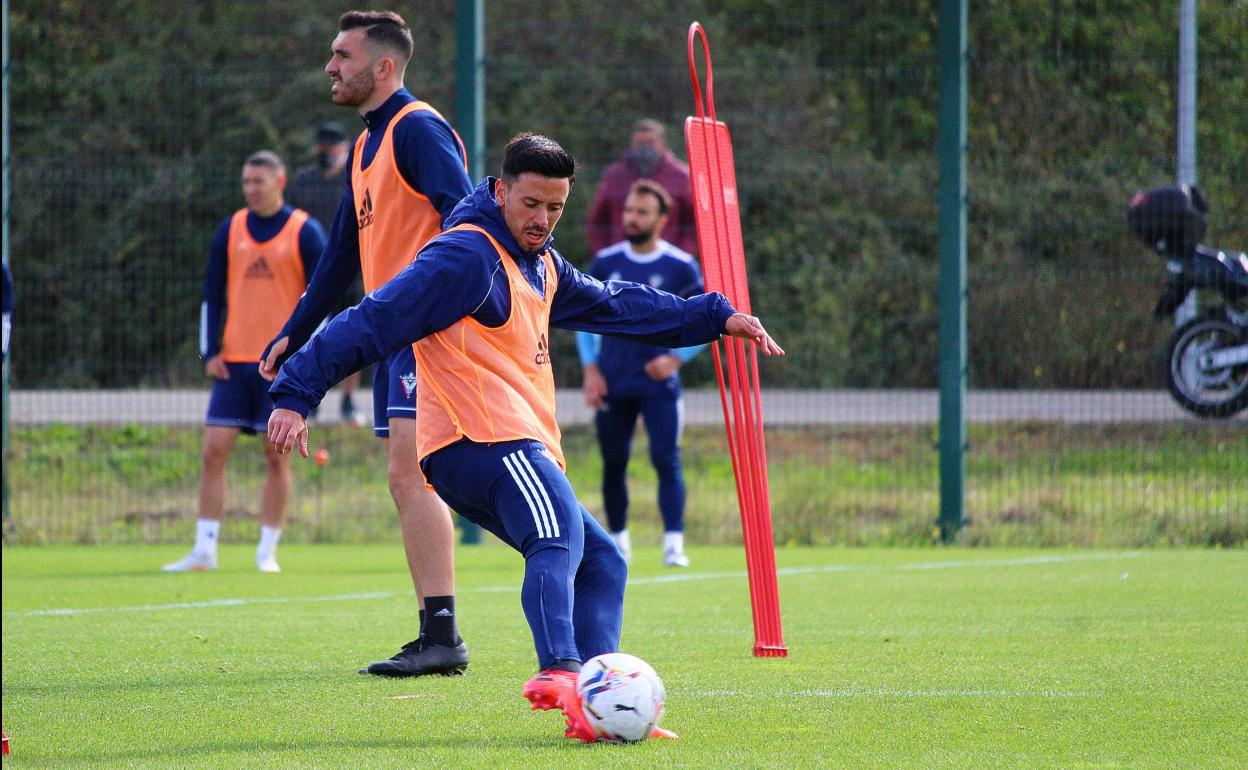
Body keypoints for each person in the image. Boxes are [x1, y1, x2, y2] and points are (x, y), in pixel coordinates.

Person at [266, 134, 783, 741]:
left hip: (508, 445)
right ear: (501, 190)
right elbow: (371, 319)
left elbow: (617, 304)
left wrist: (712, 316)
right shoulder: (464, 258)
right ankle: (561, 671)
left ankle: (593, 710)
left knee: (603, 563)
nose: (543, 220)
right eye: (532, 203)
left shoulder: (540, 264)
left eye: (556, 208)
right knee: (557, 533)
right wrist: (298, 393)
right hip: (478, 439)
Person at [258, 10, 474, 677]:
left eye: (342, 55)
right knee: (412, 477)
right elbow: (340, 258)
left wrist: (442, 307)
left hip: (429, 332)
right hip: (394, 336)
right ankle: (439, 633)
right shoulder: (362, 149)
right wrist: (294, 330)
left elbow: (467, 219)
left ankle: (449, 635)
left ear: (383, 67)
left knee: (423, 475)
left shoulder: (418, 130)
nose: (330, 66)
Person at [163, 151, 326, 573]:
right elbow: (210, 296)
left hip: (282, 367)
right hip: (234, 363)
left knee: (277, 456)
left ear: (280, 181)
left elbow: (325, 300)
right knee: (213, 451)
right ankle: (204, 549)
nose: (252, 189)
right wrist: (209, 351)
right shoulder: (230, 229)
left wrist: (311, 359)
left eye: (259, 181)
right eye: (246, 182)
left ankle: (266, 550)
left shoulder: (304, 231)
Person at [578, 179, 706, 568]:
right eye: (629, 211)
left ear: (662, 219)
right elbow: (584, 319)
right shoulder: (606, 263)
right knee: (613, 461)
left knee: (666, 459)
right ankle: (619, 542)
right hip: (614, 380)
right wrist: (590, 369)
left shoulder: (681, 267)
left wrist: (677, 359)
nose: (631, 218)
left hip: (658, 384)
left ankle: (673, 544)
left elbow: (705, 322)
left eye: (642, 212)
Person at [286, 121, 367, 426]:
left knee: (353, 336)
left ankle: (347, 400)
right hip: (312, 272)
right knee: (309, 334)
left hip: (351, 273)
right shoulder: (304, 182)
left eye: (332, 146)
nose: (326, 152)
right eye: (322, 146)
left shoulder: (353, 181)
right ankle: (309, 394)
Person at [586, 119, 698, 256]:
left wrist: (681, 255)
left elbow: (694, 223)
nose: (645, 149)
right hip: (621, 260)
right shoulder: (614, 176)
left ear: (663, 145)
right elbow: (597, 221)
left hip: (667, 262)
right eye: (640, 143)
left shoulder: (681, 176)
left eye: (650, 143)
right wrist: (605, 254)